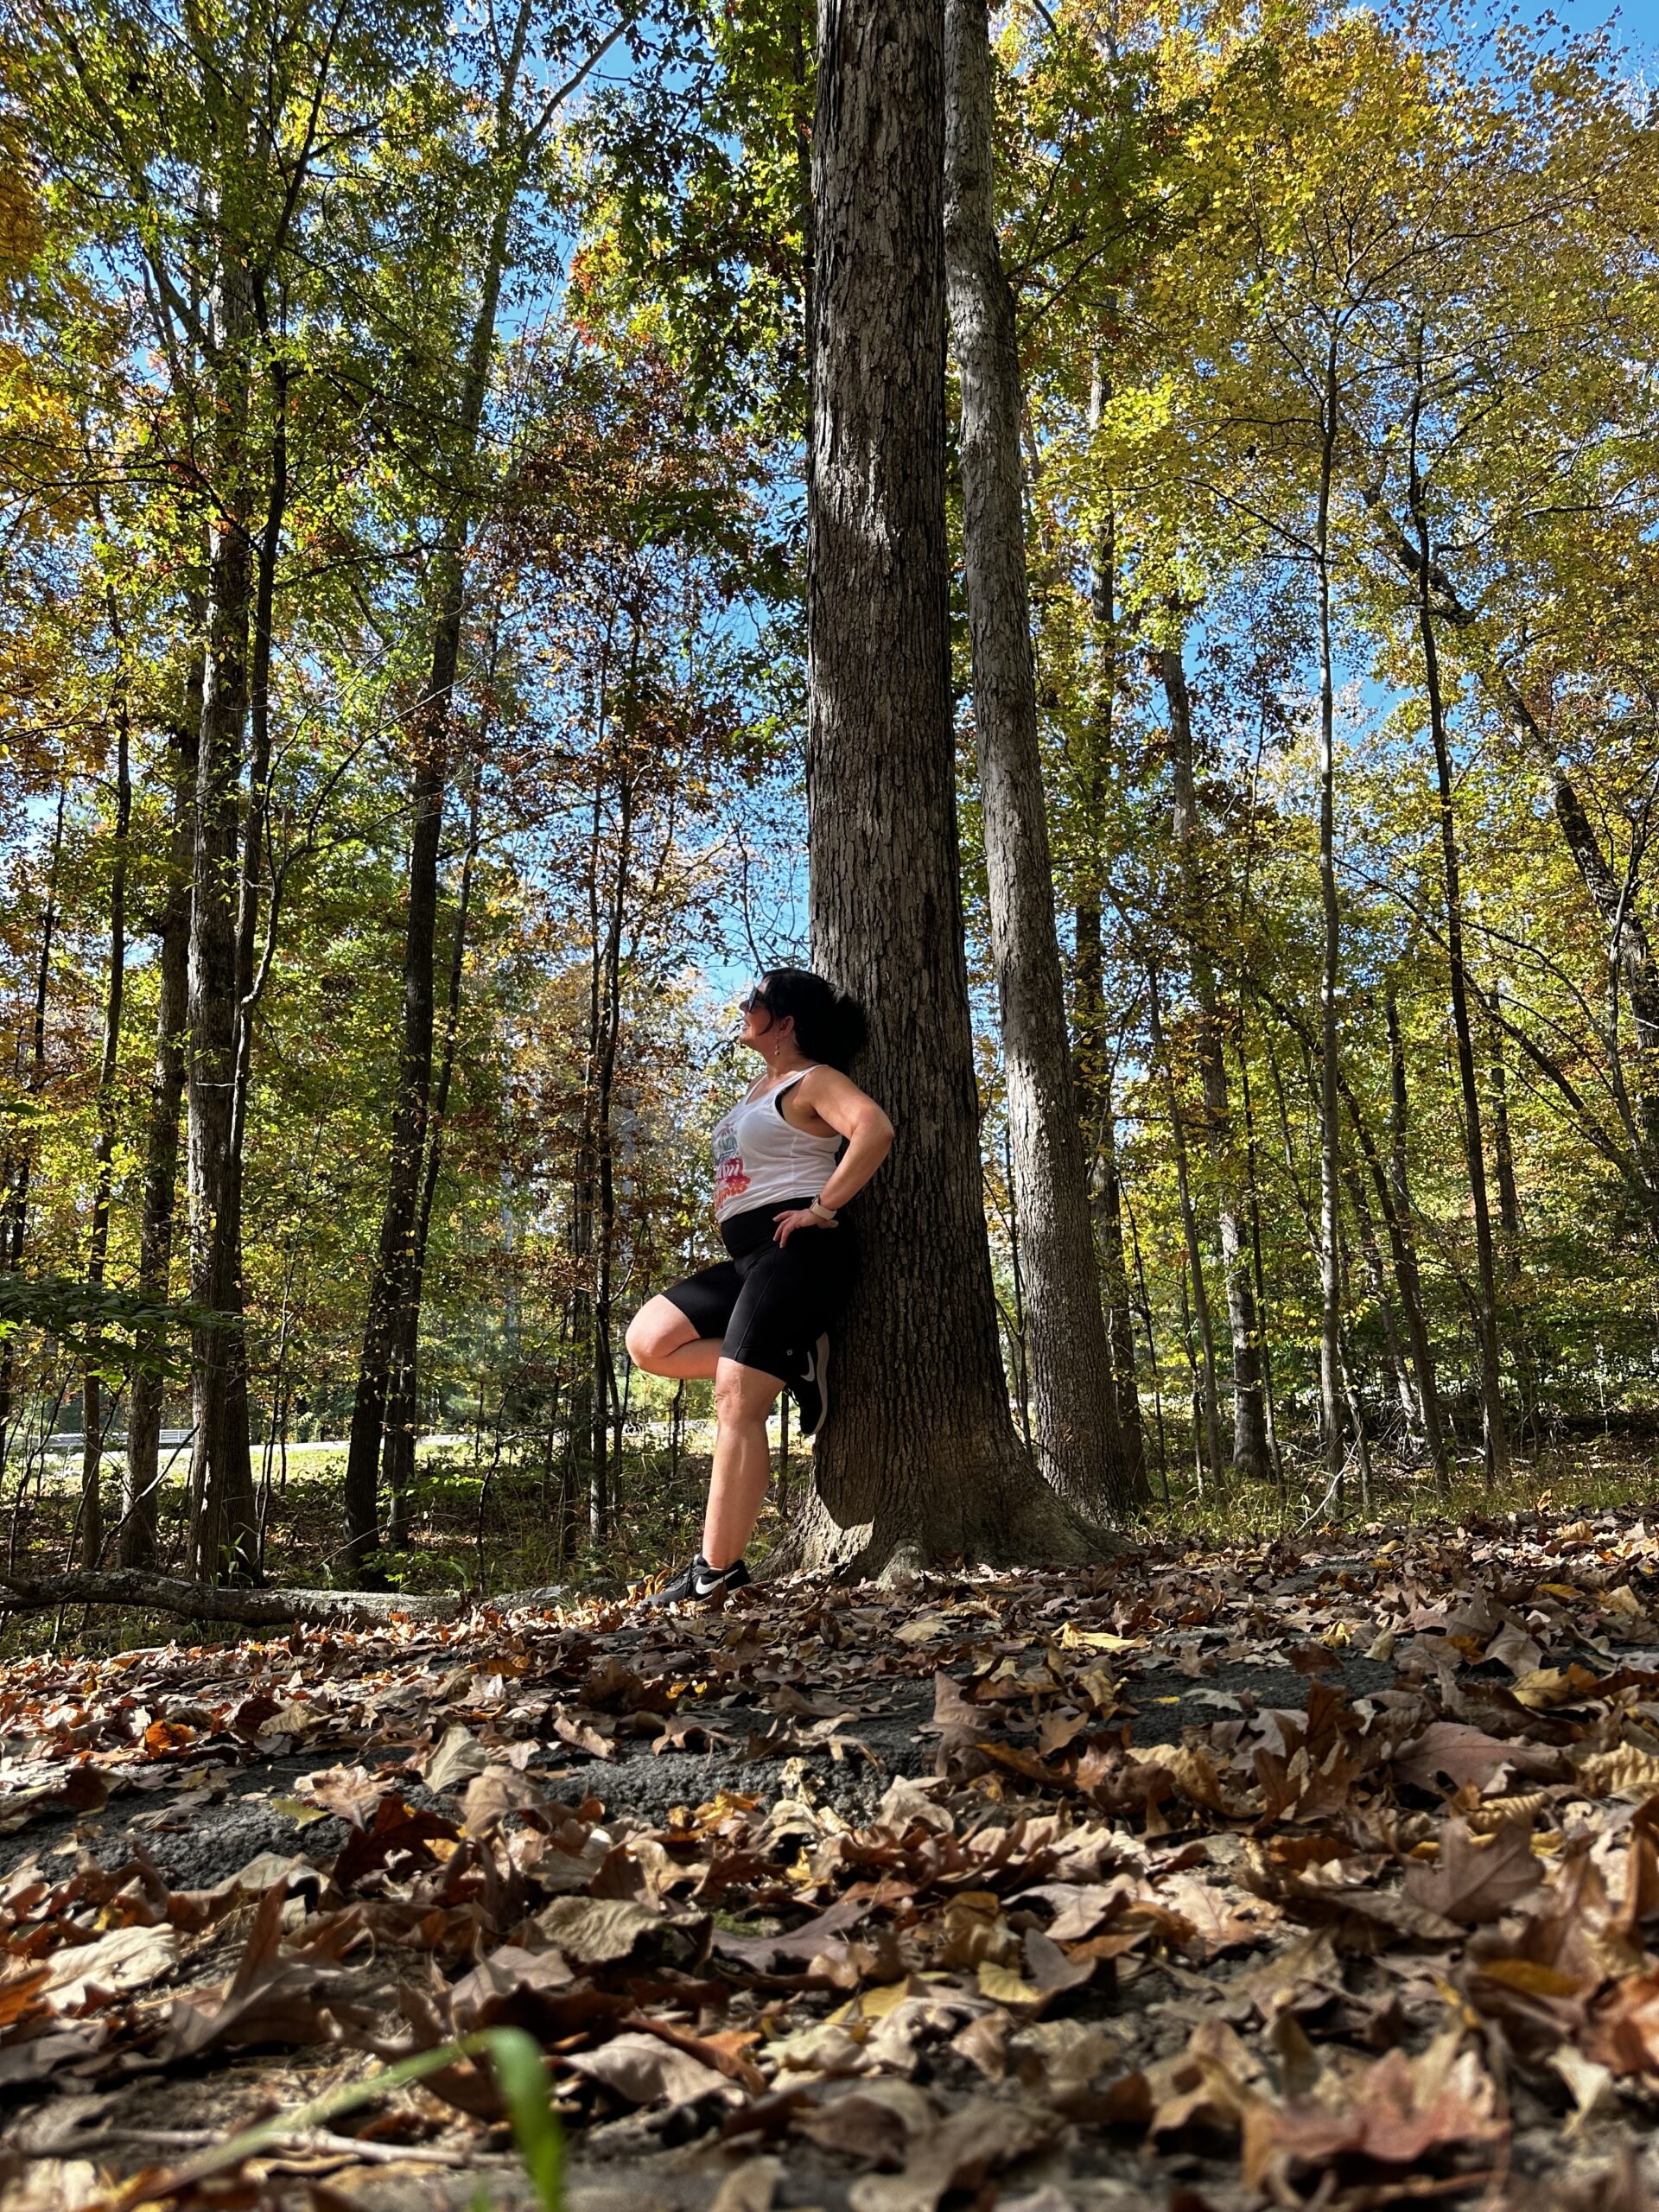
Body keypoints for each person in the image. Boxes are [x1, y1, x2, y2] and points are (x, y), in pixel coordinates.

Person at [624, 969, 894, 1605]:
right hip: (749, 1259)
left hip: (798, 1253)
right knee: (648, 1341)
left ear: (785, 1022)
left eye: (756, 1002)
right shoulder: (756, 1087)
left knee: (736, 1401)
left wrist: (822, 1208)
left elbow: (873, 1129)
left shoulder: (815, 1080)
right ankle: (794, 1361)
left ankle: (716, 1572)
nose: (744, 1007)